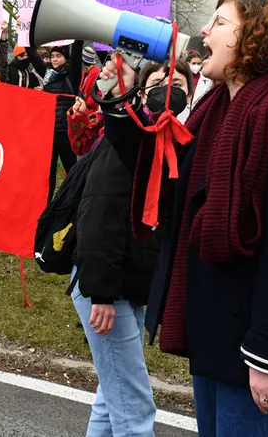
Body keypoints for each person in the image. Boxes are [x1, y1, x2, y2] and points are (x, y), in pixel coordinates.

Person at [101, 0, 268, 436]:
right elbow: (162, 176)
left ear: (255, 40)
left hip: (256, 347)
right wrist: (120, 100)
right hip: (217, 336)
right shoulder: (215, 114)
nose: (204, 31)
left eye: (219, 23)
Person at [69, 61, 193, 436]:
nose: (168, 88)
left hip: (128, 282)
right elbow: (99, 214)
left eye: (178, 83)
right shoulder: (128, 141)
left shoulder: (172, 141)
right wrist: (102, 294)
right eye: (158, 81)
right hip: (107, 286)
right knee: (134, 408)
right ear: (141, 90)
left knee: (113, 397)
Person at [27, 42, 84, 203]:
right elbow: (34, 57)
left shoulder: (72, 76)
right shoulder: (47, 75)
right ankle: (45, 203)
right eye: (52, 56)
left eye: (58, 56)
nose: (54, 59)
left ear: (66, 58)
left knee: (71, 169)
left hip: (65, 131)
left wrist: (78, 38)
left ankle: (75, 201)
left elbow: (76, 55)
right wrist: (26, 37)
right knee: (48, 171)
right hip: (48, 131)